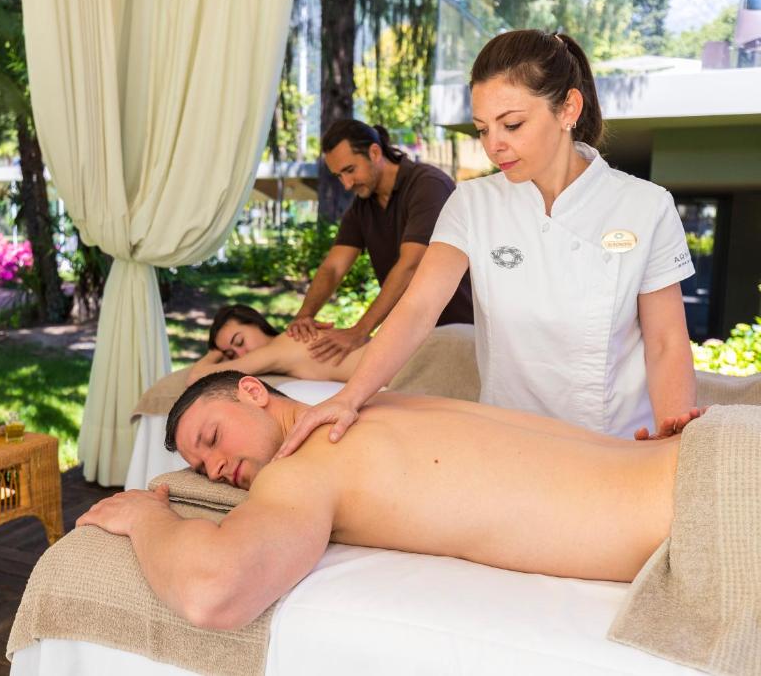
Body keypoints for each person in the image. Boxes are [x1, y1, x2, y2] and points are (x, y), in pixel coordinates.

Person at [277, 30, 703, 457]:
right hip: (505, 446)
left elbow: (666, 342)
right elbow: (418, 308)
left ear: (568, 109)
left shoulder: (645, 205)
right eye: (482, 129)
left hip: (616, 447)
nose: (494, 146)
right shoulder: (472, 203)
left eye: (512, 124)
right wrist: (349, 397)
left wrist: (672, 446)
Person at [76, 371, 685, 631]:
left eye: (212, 438)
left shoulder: (303, 467)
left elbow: (213, 593)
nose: (215, 469)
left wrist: (146, 516)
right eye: (201, 468)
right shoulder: (379, 400)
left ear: (253, 392)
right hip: (693, 455)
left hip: (701, 510)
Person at [286, 120, 473, 366]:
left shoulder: (428, 185)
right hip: (415, 339)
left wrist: (359, 331)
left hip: (464, 333)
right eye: (339, 175)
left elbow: (411, 265)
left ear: (375, 153)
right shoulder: (362, 207)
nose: (346, 184)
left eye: (350, 170)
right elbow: (333, 268)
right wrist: (304, 315)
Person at [187, 304, 365, 384]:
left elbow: (195, 376)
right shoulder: (290, 339)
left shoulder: (277, 350)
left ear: (255, 323)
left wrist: (214, 353)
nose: (241, 355)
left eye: (239, 341)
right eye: (231, 355)